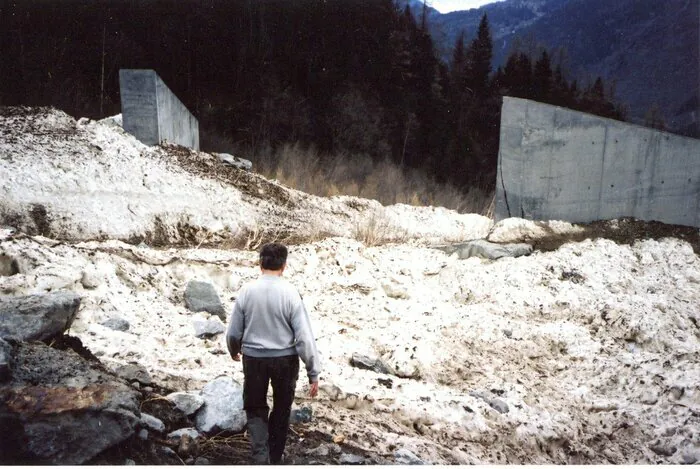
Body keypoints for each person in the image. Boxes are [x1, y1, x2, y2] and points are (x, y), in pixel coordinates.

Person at [226, 242, 321, 465]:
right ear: (284, 266)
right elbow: (304, 337)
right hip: (285, 361)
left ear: (260, 264)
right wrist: (313, 372)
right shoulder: (290, 293)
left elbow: (233, 332)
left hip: (254, 359)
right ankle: (276, 457)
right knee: (281, 409)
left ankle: (261, 456)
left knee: (255, 406)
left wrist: (234, 349)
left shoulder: (247, 291)